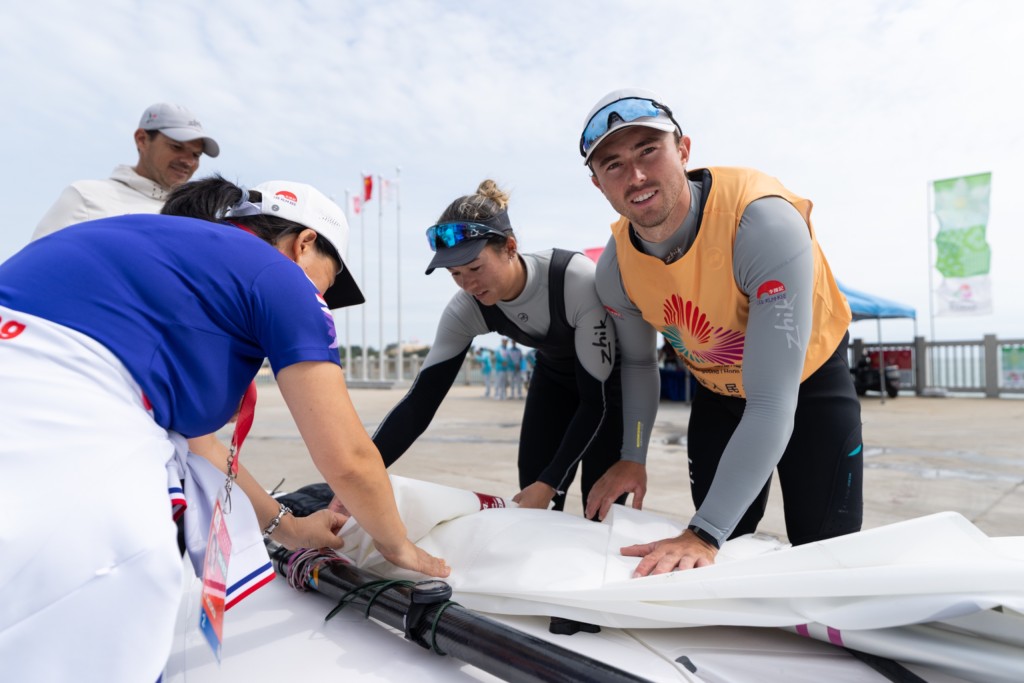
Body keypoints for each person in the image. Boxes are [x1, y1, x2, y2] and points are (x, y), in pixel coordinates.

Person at [0, 176, 448, 682]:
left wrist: (292, 526)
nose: (323, 293)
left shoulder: (148, 243)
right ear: (304, 244)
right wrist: (397, 547)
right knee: (119, 586)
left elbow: (200, 448)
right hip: (63, 396)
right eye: (329, 277)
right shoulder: (280, 276)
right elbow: (348, 457)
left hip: (29, 377)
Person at [579, 88, 863, 577]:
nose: (637, 176)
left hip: (808, 385)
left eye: (649, 150)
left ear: (683, 150)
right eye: (614, 165)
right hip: (719, 395)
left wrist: (704, 530)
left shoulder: (762, 222)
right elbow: (642, 364)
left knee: (825, 560)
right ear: (597, 184)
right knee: (715, 562)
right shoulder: (616, 267)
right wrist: (633, 454)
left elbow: (772, 403)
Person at [370, 179, 623, 512]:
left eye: (475, 267)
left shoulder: (574, 279)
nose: (468, 284)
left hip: (608, 390)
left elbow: (594, 403)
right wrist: (360, 476)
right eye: (455, 274)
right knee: (535, 506)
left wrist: (551, 483)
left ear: (510, 247)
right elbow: (419, 404)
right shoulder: (467, 308)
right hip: (553, 380)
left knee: (601, 510)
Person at [32, 102, 220, 239]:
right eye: (176, 147)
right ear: (142, 139)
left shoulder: (197, 220)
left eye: (196, 155)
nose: (188, 161)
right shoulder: (87, 196)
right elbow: (36, 269)